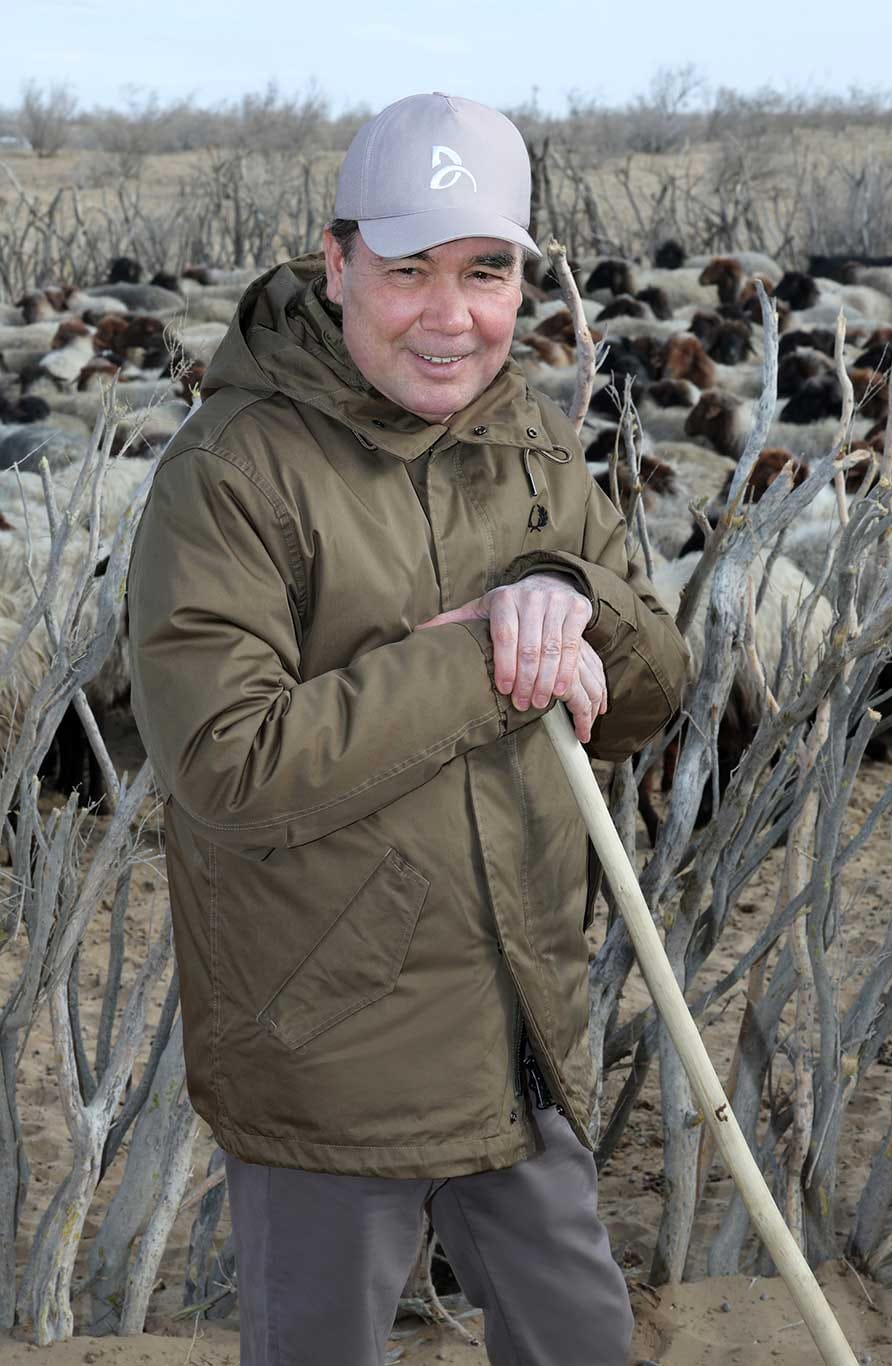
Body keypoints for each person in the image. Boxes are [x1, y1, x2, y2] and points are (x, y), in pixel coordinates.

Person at [126, 92, 689, 1366]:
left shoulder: (536, 449)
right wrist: (487, 656)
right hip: (328, 1059)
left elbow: (653, 694)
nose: (454, 316)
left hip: (516, 1040)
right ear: (336, 265)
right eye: (409, 271)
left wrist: (576, 596)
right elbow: (230, 766)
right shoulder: (232, 473)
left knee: (582, 1340)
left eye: (487, 271)